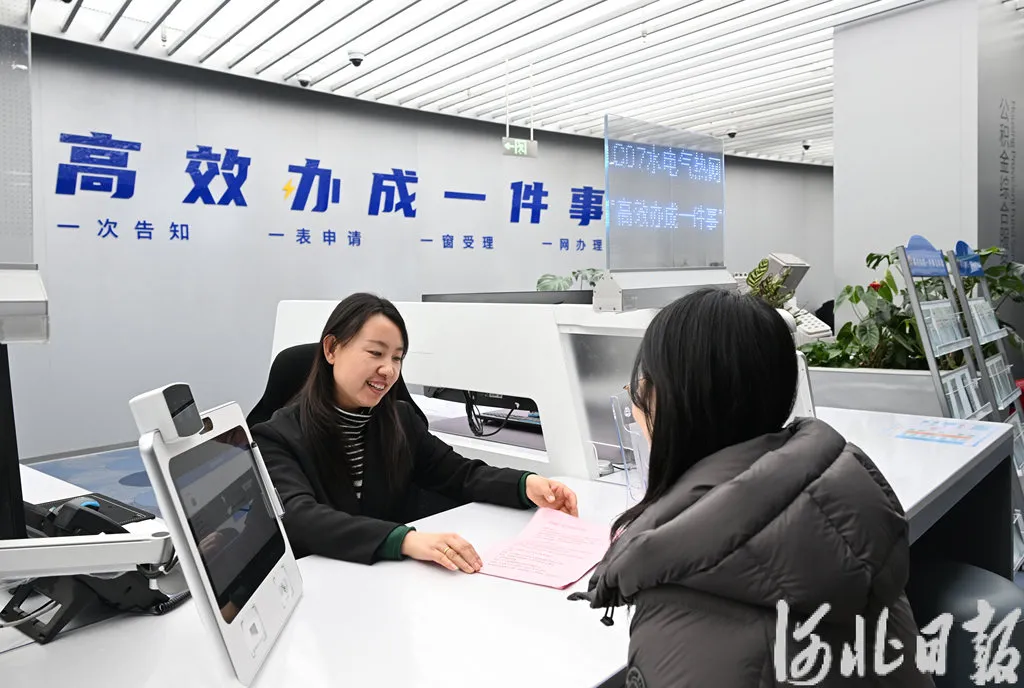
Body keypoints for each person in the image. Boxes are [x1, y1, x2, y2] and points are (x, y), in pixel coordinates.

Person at [582, 289, 932, 688]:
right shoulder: (836, 505)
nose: (637, 401)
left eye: (643, 386)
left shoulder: (685, 604)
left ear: (675, 401)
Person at [251, 293, 578, 573]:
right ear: (332, 349)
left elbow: (460, 475)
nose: (389, 369)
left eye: (397, 357)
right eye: (375, 353)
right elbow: (300, 518)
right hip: (324, 588)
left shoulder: (399, 420)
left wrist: (526, 485)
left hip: (392, 582)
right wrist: (405, 539)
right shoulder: (275, 437)